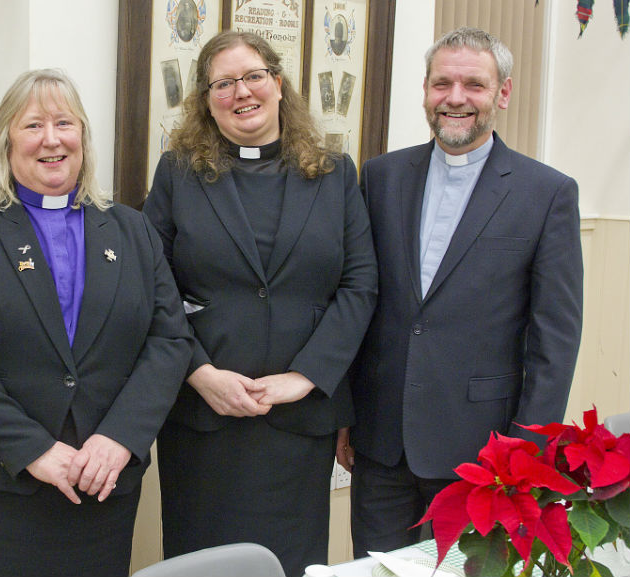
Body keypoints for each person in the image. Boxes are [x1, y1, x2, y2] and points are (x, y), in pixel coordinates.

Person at [0, 68, 193, 577]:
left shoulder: (132, 229)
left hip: (99, 483)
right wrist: (33, 448)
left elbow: (170, 339)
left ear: (83, 136)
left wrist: (121, 438)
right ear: (5, 141)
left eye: (64, 123)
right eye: (32, 125)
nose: (51, 139)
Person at [142, 30, 378, 577]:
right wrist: (199, 372)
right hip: (204, 419)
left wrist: (306, 376)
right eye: (222, 83)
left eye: (252, 76)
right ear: (205, 99)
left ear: (277, 83)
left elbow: (360, 284)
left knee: (290, 564)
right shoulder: (178, 173)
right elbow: (152, 286)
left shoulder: (335, 173)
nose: (240, 93)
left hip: (298, 423)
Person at [344, 27, 583, 558]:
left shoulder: (547, 193)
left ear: (502, 92)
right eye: (442, 83)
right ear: (426, 90)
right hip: (381, 445)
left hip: (484, 453)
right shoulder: (380, 176)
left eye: (473, 84)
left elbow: (555, 339)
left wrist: (527, 450)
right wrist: (346, 416)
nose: (455, 98)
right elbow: (361, 302)